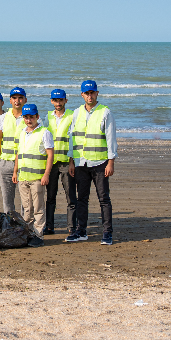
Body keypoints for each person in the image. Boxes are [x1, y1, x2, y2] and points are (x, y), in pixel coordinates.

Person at [65, 80, 117, 245]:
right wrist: (71, 161)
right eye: (86, 93)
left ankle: (107, 233)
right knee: (82, 199)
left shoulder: (105, 112)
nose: (89, 96)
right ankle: (81, 231)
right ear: (82, 95)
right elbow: (72, 138)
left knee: (103, 198)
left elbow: (111, 139)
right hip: (81, 163)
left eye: (92, 93)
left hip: (100, 163)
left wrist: (111, 162)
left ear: (97, 93)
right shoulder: (77, 112)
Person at [12, 104, 54, 247]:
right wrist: (15, 171)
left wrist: (46, 174)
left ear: (37, 117)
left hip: (37, 178)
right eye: (26, 117)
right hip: (23, 177)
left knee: (38, 208)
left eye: (31, 117)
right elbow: (19, 153)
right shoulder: (22, 132)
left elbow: (50, 155)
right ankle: (28, 234)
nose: (29, 120)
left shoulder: (44, 132)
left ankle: (38, 235)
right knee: (27, 209)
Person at [41, 89, 77, 235]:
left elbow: (74, 141)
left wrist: (72, 162)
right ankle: (49, 226)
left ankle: (72, 227)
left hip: (66, 163)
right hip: (52, 163)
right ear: (51, 101)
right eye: (55, 100)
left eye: (61, 100)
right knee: (50, 197)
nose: (58, 103)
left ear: (65, 101)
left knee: (70, 196)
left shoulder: (71, 116)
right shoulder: (47, 117)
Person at [0, 87, 27, 213]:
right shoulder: (3, 118)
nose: (17, 101)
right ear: (10, 100)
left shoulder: (30, 118)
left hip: (24, 164)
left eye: (20, 98)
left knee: (26, 199)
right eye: (14, 98)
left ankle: (25, 225)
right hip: (6, 163)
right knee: (7, 199)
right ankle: (9, 225)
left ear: (25, 100)